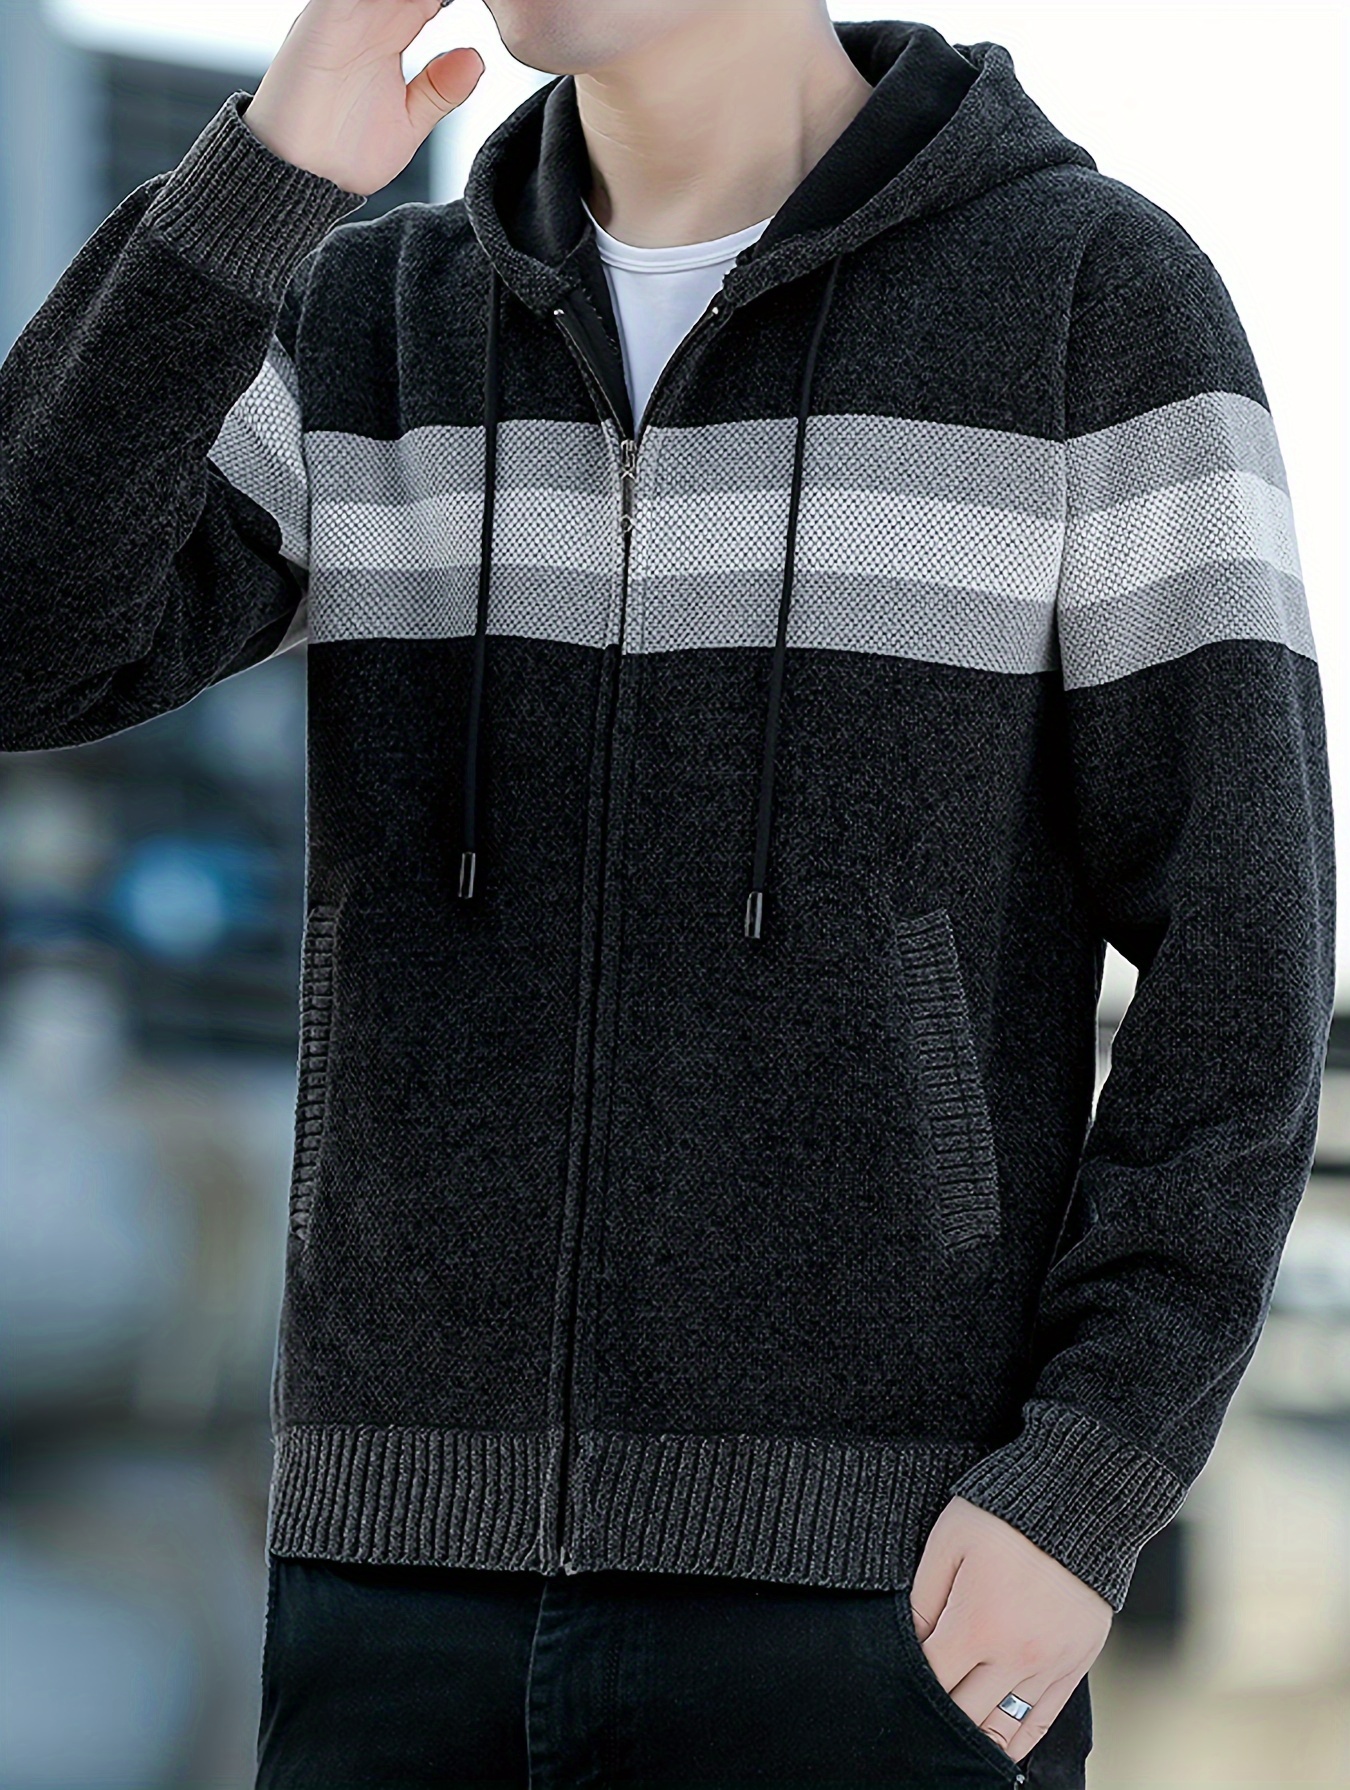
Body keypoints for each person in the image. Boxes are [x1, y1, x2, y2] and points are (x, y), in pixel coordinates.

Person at [0, 2, 1333, 1784]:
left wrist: (1086, 1480)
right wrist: (266, 177)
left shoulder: (1085, 298)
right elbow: (27, 644)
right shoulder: (370, 319)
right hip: (390, 1591)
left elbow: (1244, 954)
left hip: (885, 1596)